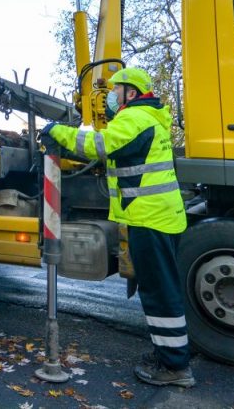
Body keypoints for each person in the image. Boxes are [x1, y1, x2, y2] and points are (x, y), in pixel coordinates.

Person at [40, 67, 193, 388]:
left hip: (150, 219)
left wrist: (57, 132)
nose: (111, 96)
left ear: (131, 94)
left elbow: (101, 144)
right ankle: (169, 356)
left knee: (160, 294)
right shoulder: (151, 118)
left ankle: (175, 367)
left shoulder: (134, 119)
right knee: (162, 290)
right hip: (160, 217)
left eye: (116, 90)